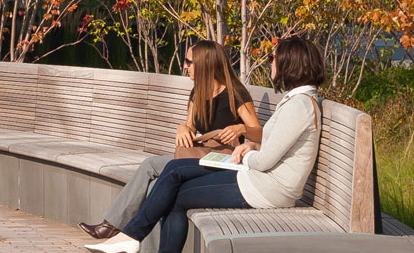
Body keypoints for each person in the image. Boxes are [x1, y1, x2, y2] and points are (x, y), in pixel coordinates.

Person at [84, 35, 330, 253]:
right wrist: (251, 148)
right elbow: (271, 147)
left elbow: (265, 160)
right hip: (259, 179)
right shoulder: (298, 102)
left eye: (274, 59)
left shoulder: (298, 105)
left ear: (291, 64)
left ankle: (130, 236)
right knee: (173, 174)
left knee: (174, 187)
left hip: (266, 188)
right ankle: (130, 236)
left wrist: (245, 153)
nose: (271, 63)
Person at [79, 40, 263, 239]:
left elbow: (260, 134)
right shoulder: (197, 92)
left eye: (189, 62)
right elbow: (191, 126)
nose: (185, 66)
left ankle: (113, 227)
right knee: (152, 182)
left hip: (224, 163)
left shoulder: (235, 94)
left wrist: (241, 128)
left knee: (152, 169)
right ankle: (124, 235)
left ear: (205, 63)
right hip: (199, 157)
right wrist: (182, 128)